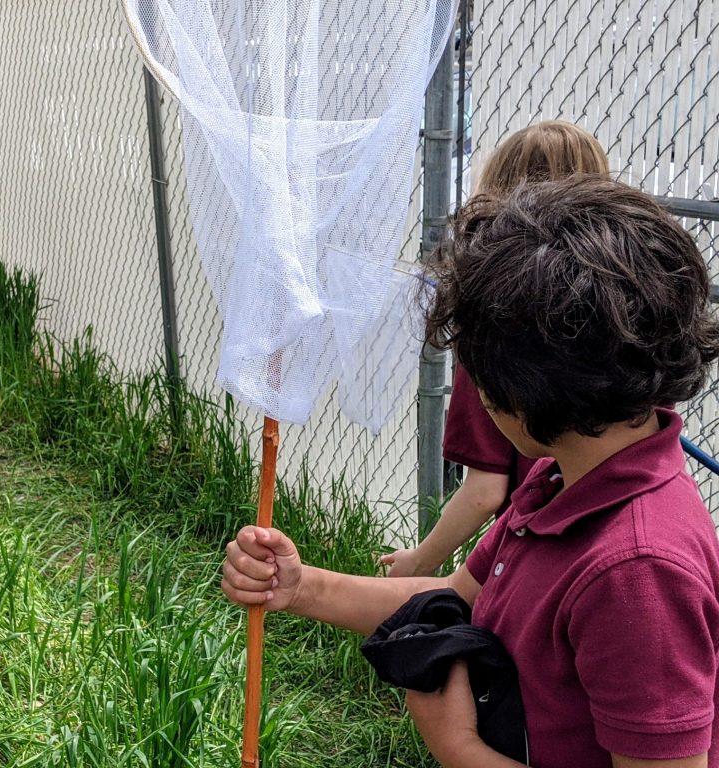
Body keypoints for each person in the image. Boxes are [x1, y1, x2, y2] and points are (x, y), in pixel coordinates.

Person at [222, 176, 719, 767]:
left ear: (531, 388)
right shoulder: (564, 476)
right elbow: (462, 597)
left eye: (477, 372)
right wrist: (301, 588)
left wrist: (457, 748)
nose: (475, 390)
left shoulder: (637, 574)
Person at [381, 120, 612, 577]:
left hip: (536, 549)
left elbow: (486, 490)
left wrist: (419, 564)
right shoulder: (623, 313)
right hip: (608, 534)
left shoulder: (494, 325)